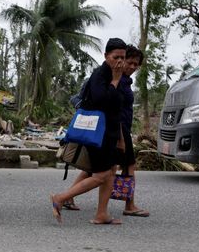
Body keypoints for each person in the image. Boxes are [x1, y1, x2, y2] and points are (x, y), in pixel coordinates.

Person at [64, 45, 149, 217]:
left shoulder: (123, 80)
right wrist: (121, 138)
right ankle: (128, 205)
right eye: (129, 62)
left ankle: (72, 199)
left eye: (136, 65)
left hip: (117, 129)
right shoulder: (115, 80)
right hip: (118, 130)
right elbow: (111, 108)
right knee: (126, 166)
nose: (132, 67)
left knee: (96, 169)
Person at [50, 38, 128, 225]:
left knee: (110, 172)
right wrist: (116, 80)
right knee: (101, 175)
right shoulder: (100, 75)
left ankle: (102, 214)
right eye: (116, 57)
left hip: (110, 134)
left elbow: (117, 109)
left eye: (123, 58)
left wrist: (121, 138)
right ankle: (60, 198)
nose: (120, 62)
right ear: (106, 56)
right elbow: (103, 101)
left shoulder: (116, 76)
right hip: (97, 134)